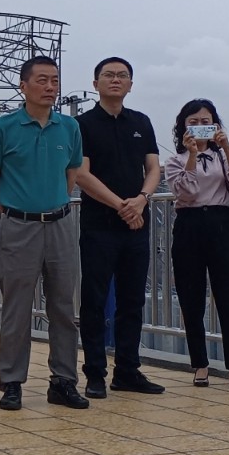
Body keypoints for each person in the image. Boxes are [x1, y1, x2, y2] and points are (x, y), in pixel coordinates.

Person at [0, 55, 90, 412]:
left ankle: (63, 381)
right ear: (23, 86)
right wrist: (12, 209)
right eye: (41, 80)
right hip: (19, 225)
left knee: (63, 306)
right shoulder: (3, 128)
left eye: (54, 80)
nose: (49, 87)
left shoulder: (69, 128)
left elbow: (71, 174)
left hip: (59, 223)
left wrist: (53, 203)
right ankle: (12, 382)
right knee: (17, 307)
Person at [74, 57, 165, 399]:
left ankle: (127, 370)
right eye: (109, 75)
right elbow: (81, 174)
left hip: (136, 225)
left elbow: (153, 168)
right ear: (95, 83)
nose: (116, 80)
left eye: (122, 75)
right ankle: (95, 373)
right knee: (94, 300)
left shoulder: (141, 122)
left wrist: (141, 199)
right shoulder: (81, 124)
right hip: (99, 225)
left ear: (131, 84)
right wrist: (122, 206)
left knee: (132, 300)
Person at [165, 99, 229, 389]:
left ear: (215, 125)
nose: (200, 127)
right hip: (189, 225)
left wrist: (226, 147)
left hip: (220, 224)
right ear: (183, 126)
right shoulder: (175, 161)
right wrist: (192, 155)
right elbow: (186, 192)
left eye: (206, 122)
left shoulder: (221, 157)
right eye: (194, 122)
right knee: (191, 298)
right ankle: (200, 364)